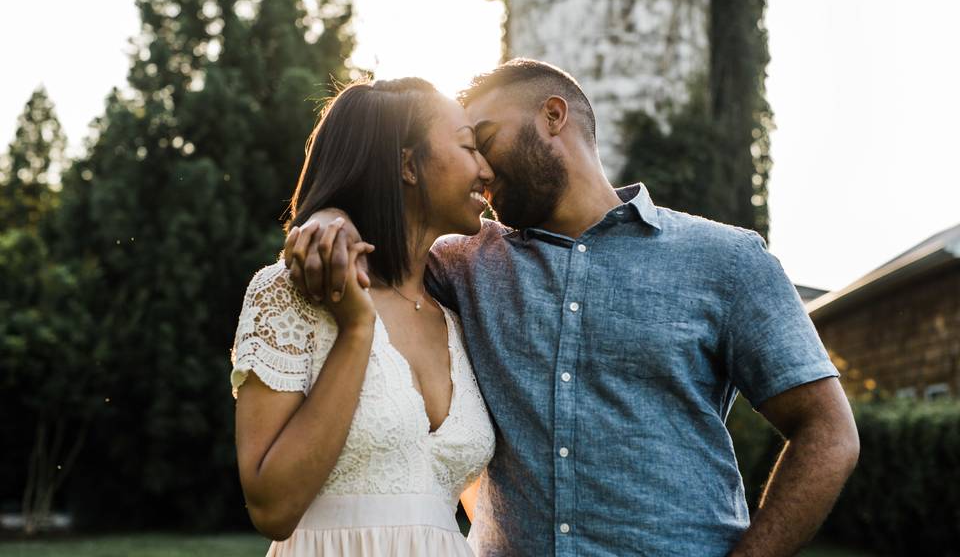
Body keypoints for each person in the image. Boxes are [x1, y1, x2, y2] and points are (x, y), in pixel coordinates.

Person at [284, 59, 861, 556]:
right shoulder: (461, 265)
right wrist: (330, 216)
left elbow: (829, 432)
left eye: (484, 139)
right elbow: (387, 233)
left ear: (553, 117)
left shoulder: (728, 260)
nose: (479, 169)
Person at [231, 77, 496, 556]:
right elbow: (273, 509)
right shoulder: (293, 294)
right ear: (407, 165)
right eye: (468, 147)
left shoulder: (456, 310)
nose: (486, 168)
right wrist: (356, 329)